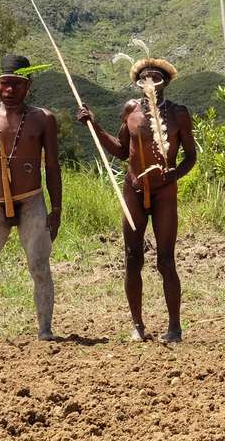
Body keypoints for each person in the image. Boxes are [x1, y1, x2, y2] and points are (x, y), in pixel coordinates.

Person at [77, 54, 196, 342]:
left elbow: (191, 157)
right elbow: (121, 150)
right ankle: (137, 325)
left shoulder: (178, 114)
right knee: (132, 258)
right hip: (134, 189)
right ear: (137, 83)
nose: (150, 81)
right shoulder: (131, 110)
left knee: (166, 260)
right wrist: (94, 125)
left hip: (164, 192)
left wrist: (174, 174)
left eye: (156, 77)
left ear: (166, 82)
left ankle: (175, 327)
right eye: (145, 77)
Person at [0, 54, 60, 340]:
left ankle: (45, 330)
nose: (9, 90)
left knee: (39, 266)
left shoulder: (43, 119)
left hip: (31, 201)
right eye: (5, 83)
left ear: (28, 86)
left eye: (16, 84)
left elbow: (52, 166)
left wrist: (56, 209)